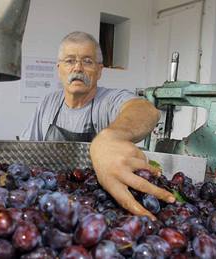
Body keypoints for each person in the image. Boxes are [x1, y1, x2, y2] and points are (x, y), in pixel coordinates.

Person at [21, 31, 175, 220]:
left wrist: (111, 137)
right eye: (70, 61)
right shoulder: (47, 103)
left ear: (100, 70)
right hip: (53, 201)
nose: (77, 68)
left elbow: (146, 110)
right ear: (59, 68)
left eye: (87, 61)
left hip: (96, 205)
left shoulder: (110, 100)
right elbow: (27, 155)